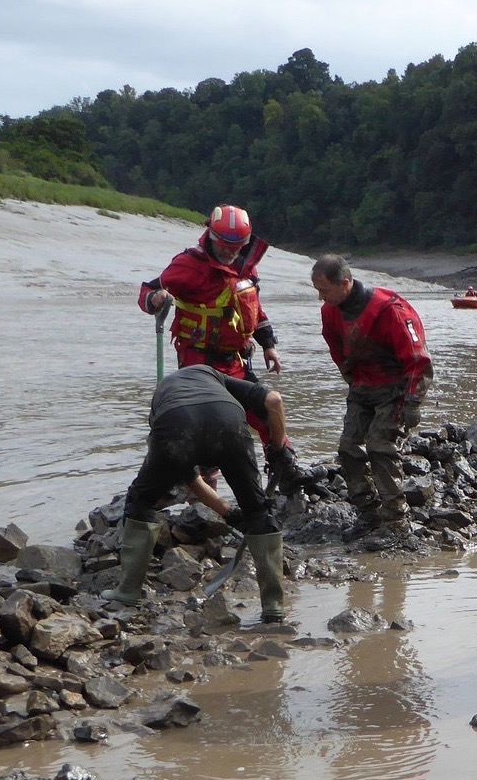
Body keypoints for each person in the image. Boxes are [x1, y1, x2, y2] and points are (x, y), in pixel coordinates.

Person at [103, 364, 291, 622]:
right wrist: (279, 450)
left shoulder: (163, 394)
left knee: (142, 500)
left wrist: (227, 513)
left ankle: (128, 591)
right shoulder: (215, 376)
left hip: (175, 423)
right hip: (229, 423)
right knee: (258, 511)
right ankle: (273, 608)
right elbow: (274, 399)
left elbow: (184, 472)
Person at [138, 205, 301, 485]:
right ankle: (202, 502)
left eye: (237, 246)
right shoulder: (188, 265)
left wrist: (268, 345)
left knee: (265, 414)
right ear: (211, 236)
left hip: (235, 359)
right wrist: (155, 299)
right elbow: (148, 291)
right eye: (225, 246)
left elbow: (255, 310)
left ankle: (283, 466)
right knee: (206, 426)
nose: (230, 252)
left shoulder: (246, 268)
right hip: (198, 363)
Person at [310, 254, 433, 538]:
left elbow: (418, 361)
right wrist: (352, 380)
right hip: (363, 387)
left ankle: (395, 519)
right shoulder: (331, 310)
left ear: (345, 283)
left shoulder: (390, 310)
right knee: (348, 448)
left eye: (324, 290)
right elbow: (337, 349)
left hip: (395, 388)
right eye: (317, 291)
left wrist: (413, 403)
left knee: (380, 446)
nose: (320, 297)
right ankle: (367, 513)